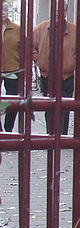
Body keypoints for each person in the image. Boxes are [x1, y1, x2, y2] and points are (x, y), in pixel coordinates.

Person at [33, 1, 76, 135]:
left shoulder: (74, 30)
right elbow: (31, 48)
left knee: (65, 106)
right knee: (49, 106)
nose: (57, 15)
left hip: (66, 74)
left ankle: (62, 135)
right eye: (55, 12)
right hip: (48, 75)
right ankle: (51, 133)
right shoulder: (40, 29)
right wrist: (41, 62)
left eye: (61, 12)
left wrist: (72, 63)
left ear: (66, 13)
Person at [2, 1, 20, 132]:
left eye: (5, 10)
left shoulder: (16, 29)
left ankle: (8, 130)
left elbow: (25, 48)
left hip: (13, 67)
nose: (2, 13)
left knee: (13, 100)